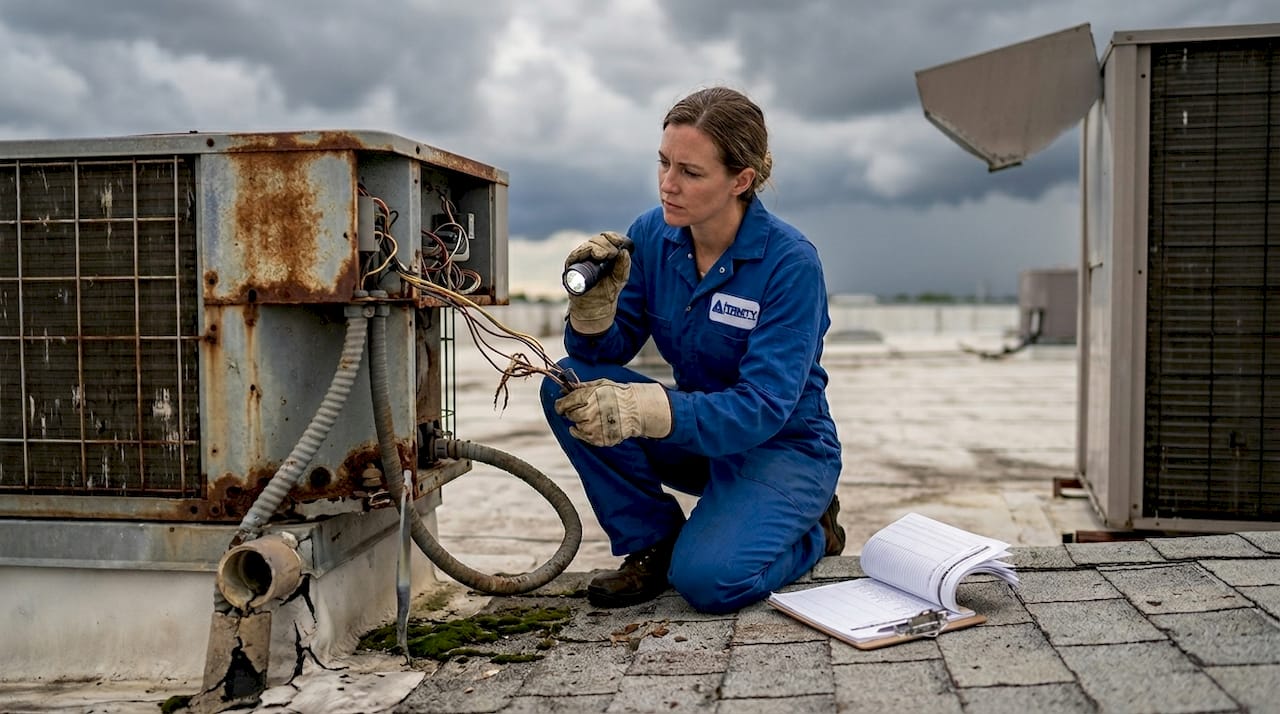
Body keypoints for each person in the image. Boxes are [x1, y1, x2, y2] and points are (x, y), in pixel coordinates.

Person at [540, 86, 843, 615]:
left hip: (783, 449)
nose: (667, 184)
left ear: (741, 181)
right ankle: (652, 542)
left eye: (690, 172)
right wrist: (592, 313)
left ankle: (814, 531)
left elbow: (764, 406)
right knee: (568, 382)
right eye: (663, 163)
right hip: (702, 440)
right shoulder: (654, 235)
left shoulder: (790, 264)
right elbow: (604, 351)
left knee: (708, 582)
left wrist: (646, 409)